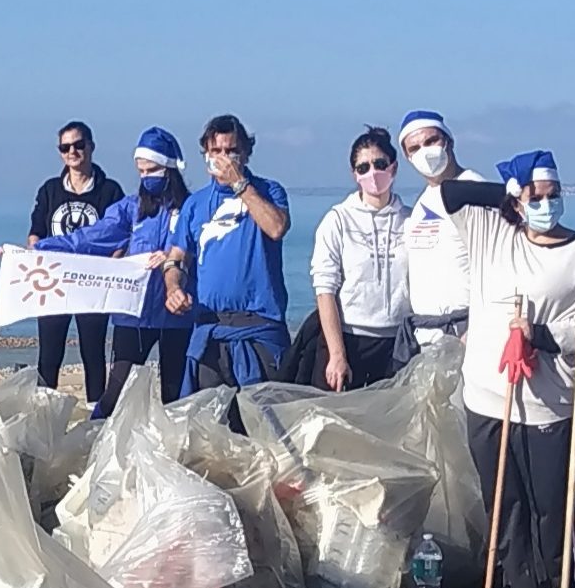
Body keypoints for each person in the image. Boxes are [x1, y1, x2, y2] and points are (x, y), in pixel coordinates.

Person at [437, 151, 575, 588]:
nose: (544, 204)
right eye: (535, 196)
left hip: (548, 402)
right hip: (488, 397)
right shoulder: (492, 233)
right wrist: (507, 196)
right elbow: (450, 193)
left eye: (551, 195)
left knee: (550, 509)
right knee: (507, 509)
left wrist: (540, 333)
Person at [34, 127, 196, 415]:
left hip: (177, 316)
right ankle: (97, 439)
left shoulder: (191, 209)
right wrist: (43, 248)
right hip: (132, 314)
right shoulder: (131, 208)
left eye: (153, 170)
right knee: (117, 391)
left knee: (175, 393)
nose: (147, 177)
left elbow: (201, 251)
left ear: (170, 167)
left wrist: (174, 257)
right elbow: (92, 237)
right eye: (141, 171)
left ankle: (174, 450)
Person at [161, 114, 291, 393]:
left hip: (260, 326)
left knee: (267, 422)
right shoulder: (195, 205)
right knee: (209, 423)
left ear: (245, 153)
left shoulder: (269, 191)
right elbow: (176, 258)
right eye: (216, 151)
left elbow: (277, 228)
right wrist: (173, 287)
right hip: (210, 327)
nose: (223, 158)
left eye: (231, 150)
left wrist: (240, 184)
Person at [292, 127, 413, 391]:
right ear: (354, 174)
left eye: (379, 164)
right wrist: (337, 355)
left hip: (397, 343)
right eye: (363, 167)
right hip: (347, 340)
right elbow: (325, 290)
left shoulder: (411, 221)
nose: (373, 173)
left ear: (393, 168)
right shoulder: (337, 220)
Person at [28, 121, 124, 403]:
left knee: (93, 353)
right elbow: (35, 235)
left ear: (91, 147)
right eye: (66, 147)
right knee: (49, 354)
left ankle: (96, 412)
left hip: (92, 286)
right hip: (54, 285)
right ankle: (42, 412)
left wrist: (109, 266)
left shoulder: (110, 191)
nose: (73, 151)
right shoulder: (49, 190)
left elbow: (121, 238)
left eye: (79, 145)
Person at [395, 110, 488, 347]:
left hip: (466, 333)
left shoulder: (472, 188)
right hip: (427, 335)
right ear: (407, 157)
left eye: (431, 141)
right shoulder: (422, 202)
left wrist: (478, 328)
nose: (424, 152)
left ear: (449, 141)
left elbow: (494, 265)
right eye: (414, 148)